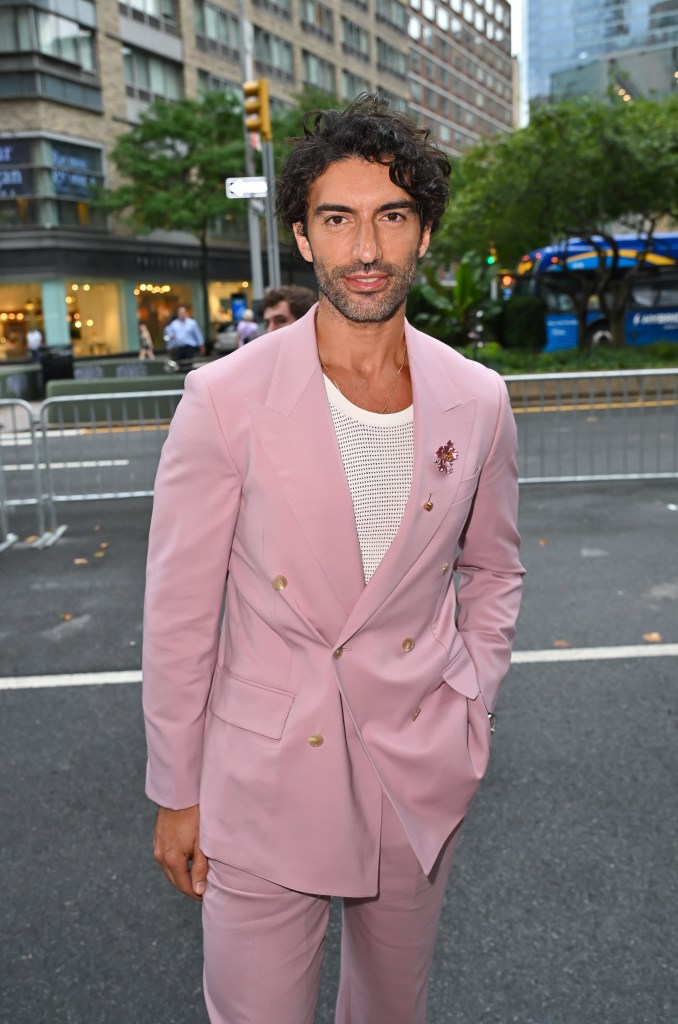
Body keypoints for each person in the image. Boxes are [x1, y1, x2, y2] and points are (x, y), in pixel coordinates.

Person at [143, 95, 524, 1024]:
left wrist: (469, 699)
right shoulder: (224, 398)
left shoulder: (476, 399)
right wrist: (176, 791)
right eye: (338, 218)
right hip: (264, 777)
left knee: (394, 1010)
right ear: (303, 239)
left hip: (414, 764)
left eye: (391, 216)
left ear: (423, 232)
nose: (366, 248)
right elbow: (181, 613)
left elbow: (494, 569)